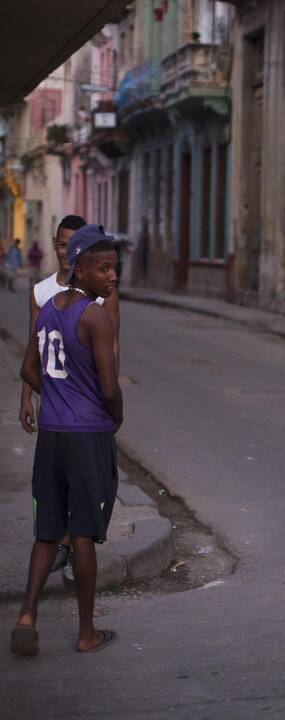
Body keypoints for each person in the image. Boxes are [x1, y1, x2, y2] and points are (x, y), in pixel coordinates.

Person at [11, 225, 123, 656]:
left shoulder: (48, 311)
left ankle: (27, 615)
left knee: (47, 531)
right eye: (104, 269)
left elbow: (28, 370)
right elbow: (110, 387)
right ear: (79, 269)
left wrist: (55, 395)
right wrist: (115, 415)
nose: (112, 277)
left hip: (52, 436)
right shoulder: (96, 315)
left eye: (115, 268)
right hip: (87, 436)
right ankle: (86, 632)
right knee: (82, 533)